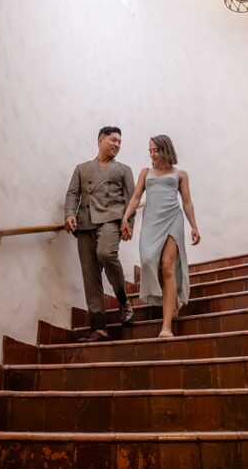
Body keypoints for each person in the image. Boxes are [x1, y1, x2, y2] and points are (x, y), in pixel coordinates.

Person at [121, 134, 200, 339]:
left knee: (167, 266)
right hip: (151, 222)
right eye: (150, 151)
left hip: (173, 218)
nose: (152, 154)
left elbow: (187, 202)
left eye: (156, 150)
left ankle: (166, 327)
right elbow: (136, 197)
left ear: (166, 150)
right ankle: (172, 301)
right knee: (148, 260)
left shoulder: (180, 174)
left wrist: (194, 226)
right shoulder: (145, 172)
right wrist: (125, 218)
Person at [64, 126, 137, 342]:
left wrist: (129, 223)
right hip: (85, 223)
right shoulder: (82, 169)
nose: (117, 144)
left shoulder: (123, 170)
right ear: (100, 140)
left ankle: (122, 299)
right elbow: (72, 194)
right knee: (90, 275)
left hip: (111, 220)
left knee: (106, 253)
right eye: (113, 140)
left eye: (120, 142)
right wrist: (69, 214)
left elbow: (132, 199)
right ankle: (99, 328)